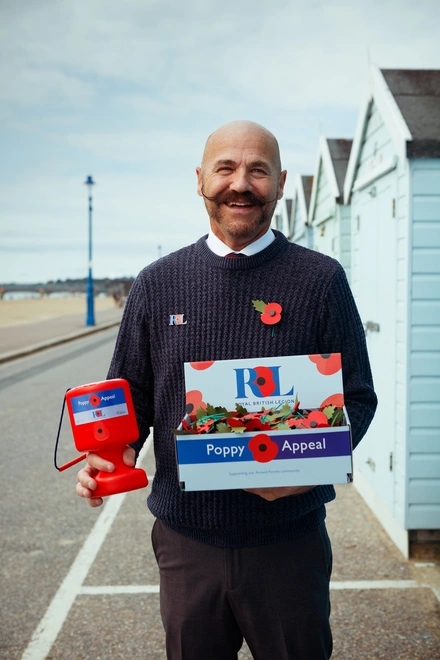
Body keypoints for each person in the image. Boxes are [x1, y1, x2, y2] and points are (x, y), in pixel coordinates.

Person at [76, 120, 377, 659]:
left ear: (281, 183)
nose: (241, 183)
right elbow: (132, 399)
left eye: (258, 170)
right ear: (200, 180)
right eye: (226, 168)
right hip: (188, 543)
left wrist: (303, 472)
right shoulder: (156, 282)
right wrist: (109, 456)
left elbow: (357, 396)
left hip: (289, 540)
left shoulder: (320, 279)